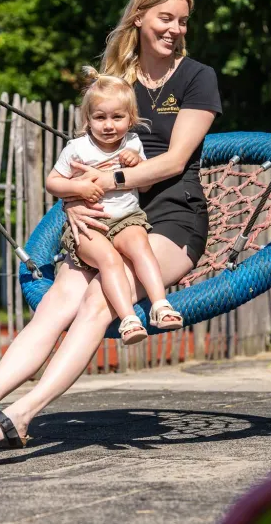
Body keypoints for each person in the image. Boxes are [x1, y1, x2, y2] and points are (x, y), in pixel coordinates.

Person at [0, 0, 221, 451]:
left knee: (99, 302)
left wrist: (107, 182)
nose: (175, 30)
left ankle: (20, 414)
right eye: (166, 18)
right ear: (140, 17)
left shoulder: (196, 78)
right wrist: (72, 199)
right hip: (100, 215)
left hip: (170, 217)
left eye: (183, 21)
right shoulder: (116, 83)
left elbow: (173, 160)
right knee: (56, 302)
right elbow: (82, 155)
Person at [46, 67, 183, 345]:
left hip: (126, 218)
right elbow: (52, 182)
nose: (109, 125)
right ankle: (128, 319)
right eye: (100, 117)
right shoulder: (77, 148)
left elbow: (143, 187)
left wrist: (138, 165)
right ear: (88, 119)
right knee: (109, 259)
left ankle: (160, 305)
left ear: (130, 118)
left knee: (140, 246)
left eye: (117, 117)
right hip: (89, 225)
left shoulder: (132, 144)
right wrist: (78, 187)